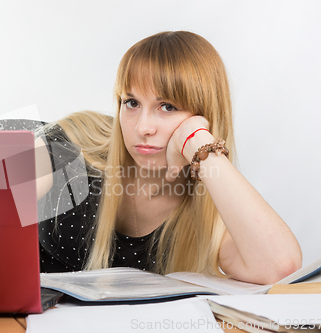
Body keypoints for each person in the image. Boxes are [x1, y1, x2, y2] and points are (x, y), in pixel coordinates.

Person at [35, 31, 302, 285]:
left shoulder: (206, 213)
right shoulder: (69, 147)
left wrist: (199, 143)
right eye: (132, 103)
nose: (142, 127)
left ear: (204, 116)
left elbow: (279, 267)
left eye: (168, 107)